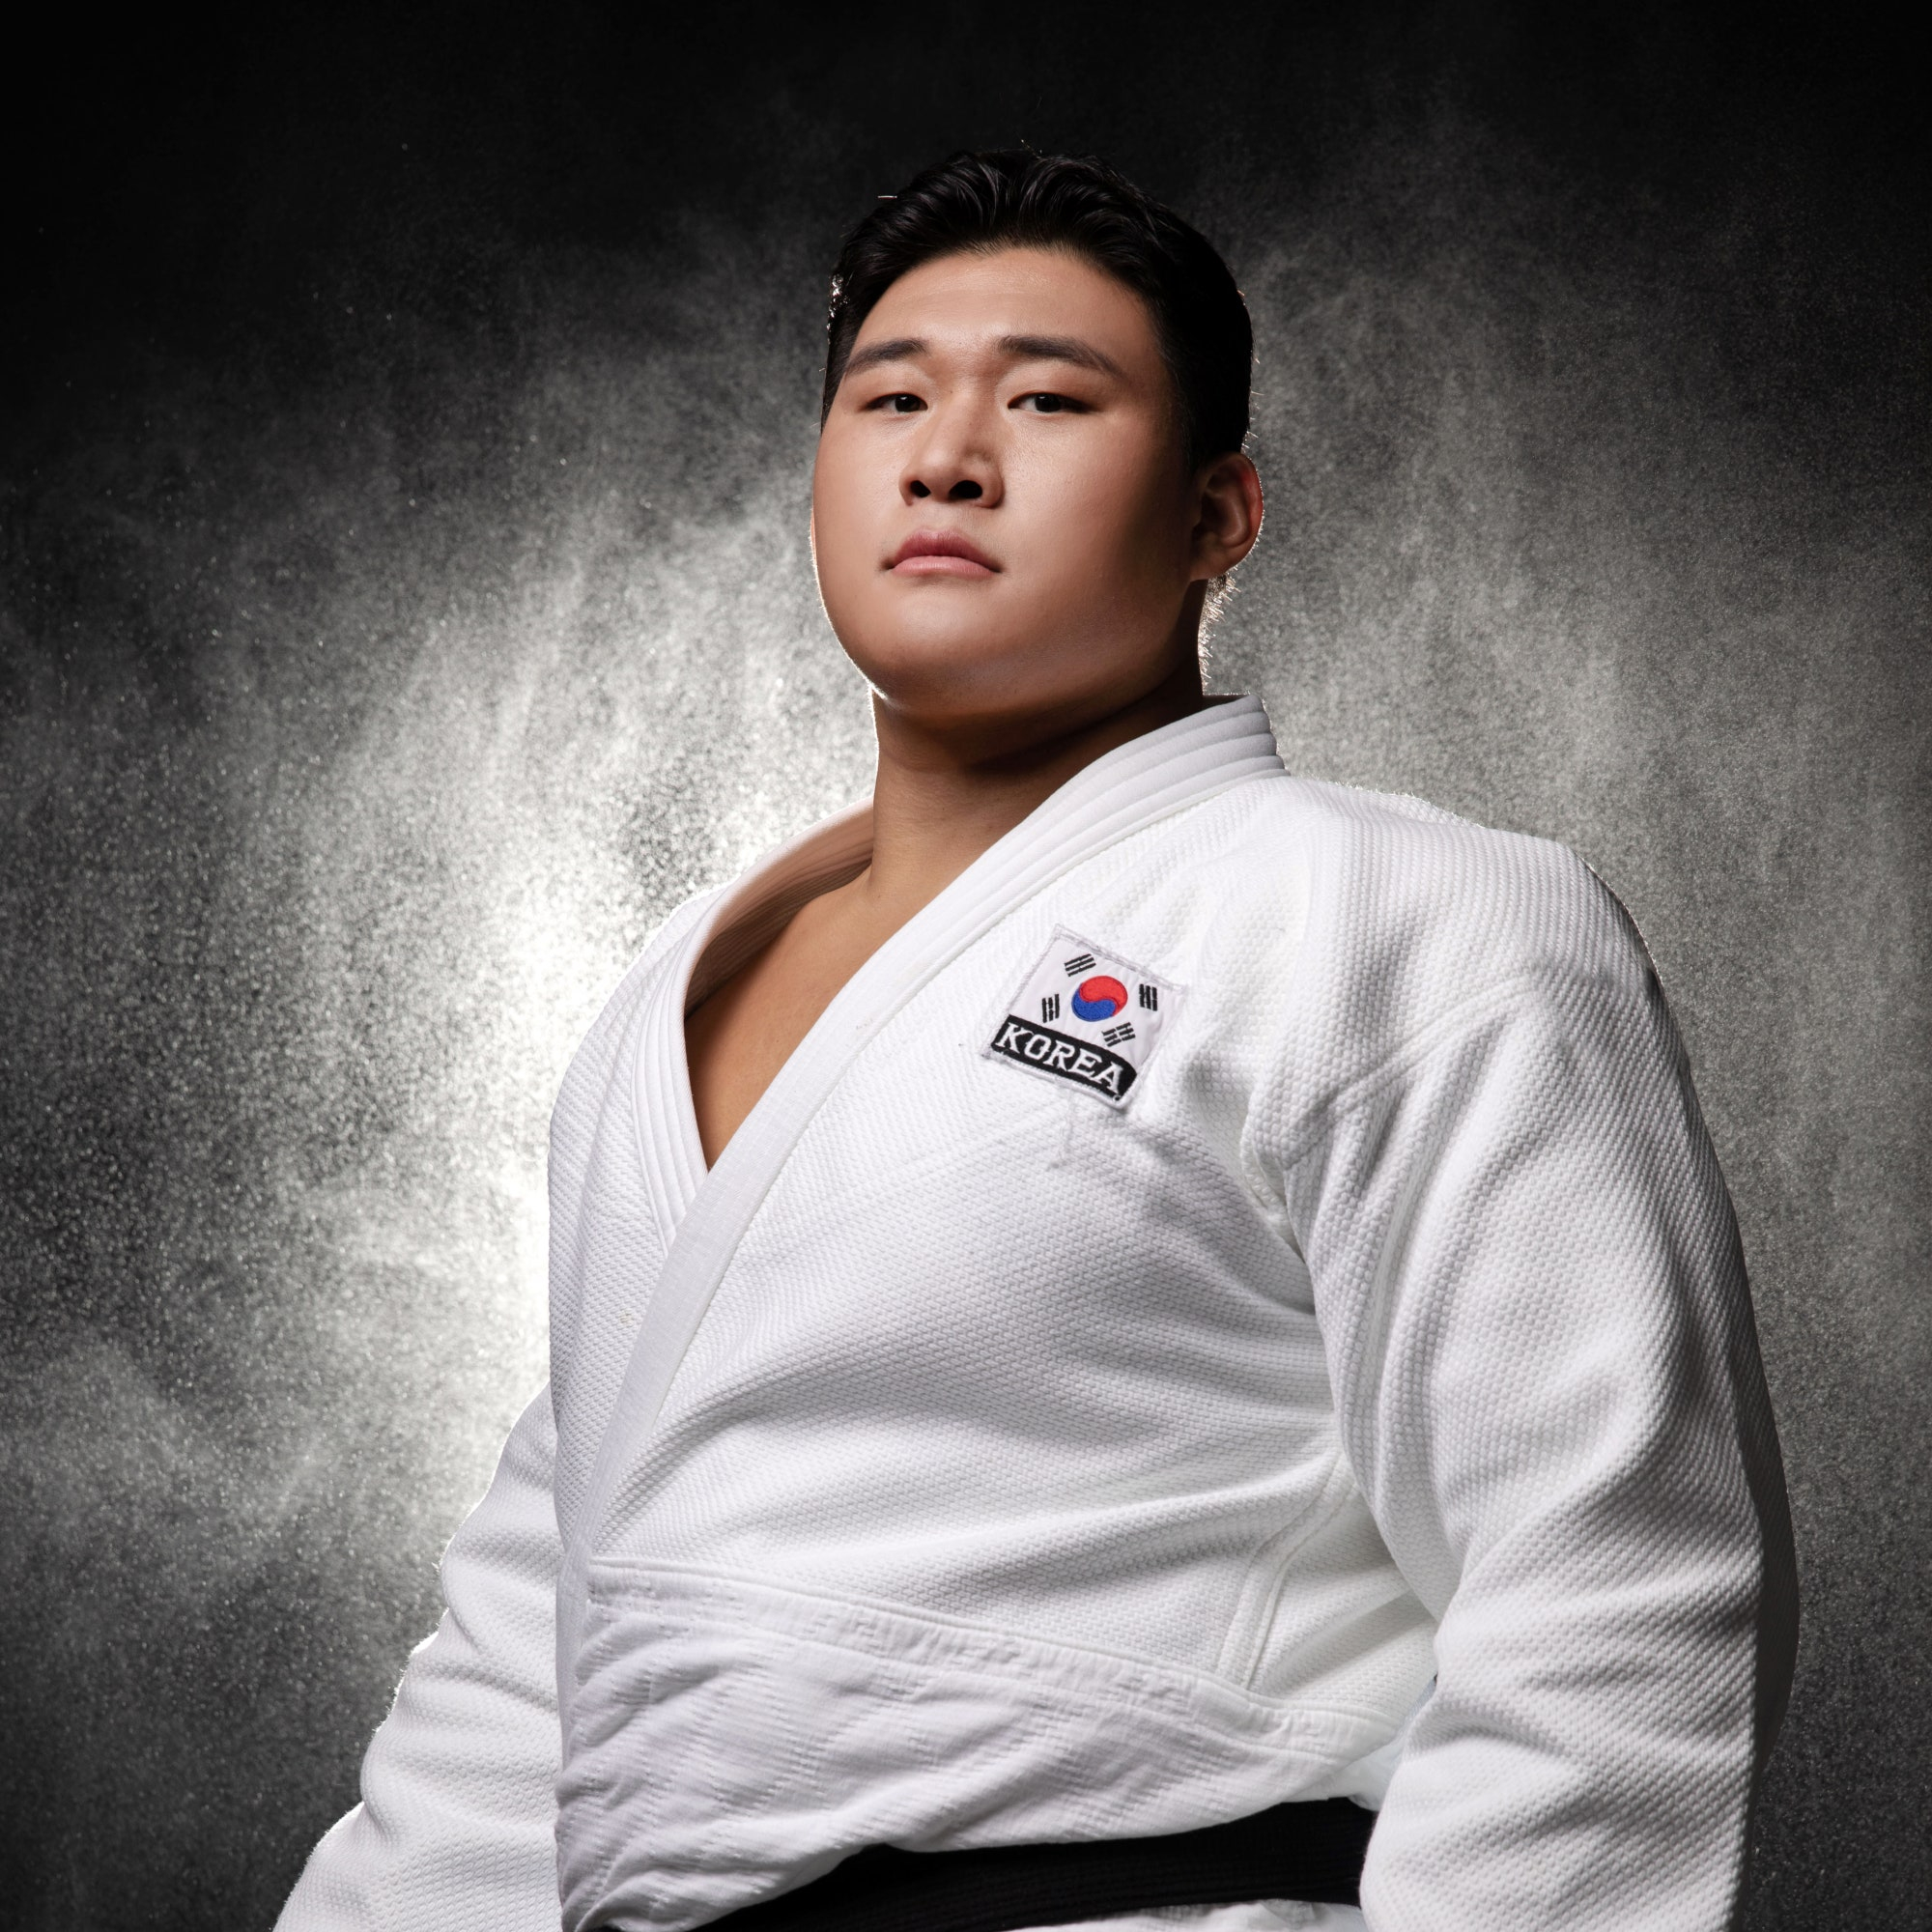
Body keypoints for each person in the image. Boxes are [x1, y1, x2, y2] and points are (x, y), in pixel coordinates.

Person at [278, 151, 1797, 1932]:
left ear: (1219, 514)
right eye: (890, 399)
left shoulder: (1406, 917)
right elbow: (546, 1634)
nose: (948, 456)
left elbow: (1609, 1598)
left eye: (1050, 401)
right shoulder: (671, 997)